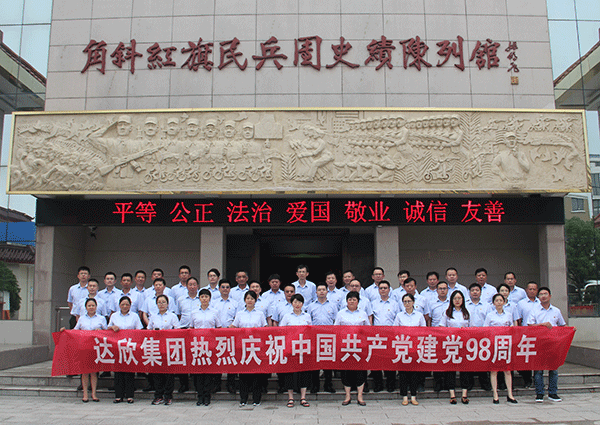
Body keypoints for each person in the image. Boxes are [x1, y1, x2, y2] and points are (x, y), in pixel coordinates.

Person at [61, 298, 107, 402]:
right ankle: (85, 394)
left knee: (94, 372)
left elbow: (107, 332)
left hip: (95, 347)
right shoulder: (82, 319)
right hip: (84, 347)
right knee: (85, 372)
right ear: (86, 307)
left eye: (93, 306)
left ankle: (94, 394)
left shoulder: (101, 318)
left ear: (96, 307)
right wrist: (65, 331)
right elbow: (75, 331)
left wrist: (101, 331)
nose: (91, 307)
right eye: (89, 306)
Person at [527, 286, 567, 402]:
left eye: (545, 294)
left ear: (550, 296)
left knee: (553, 369)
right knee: (538, 370)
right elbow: (529, 325)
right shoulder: (534, 310)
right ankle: (539, 393)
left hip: (553, 343)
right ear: (538, 297)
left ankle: (553, 393)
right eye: (541, 294)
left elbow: (562, 325)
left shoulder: (556, 311)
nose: (543, 296)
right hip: (539, 343)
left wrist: (570, 330)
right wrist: (542, 325)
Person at [230, 290, 267, 407]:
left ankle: (256, 399)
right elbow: (234, 326)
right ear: (244, 300)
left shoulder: (260, 314)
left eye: (252, 298)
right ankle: (243, 399)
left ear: (255, 300)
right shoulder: (240, 314)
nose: (249, 300)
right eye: (248, 298)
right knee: (243, 375)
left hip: (256, 348)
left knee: (257, 375)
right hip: (243, 348)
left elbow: (265, 328)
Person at [335, 291, 369, 406]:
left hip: (359, 347)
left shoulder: (363, 313)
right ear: (346, 301)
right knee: (346, 371)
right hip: (345, 346)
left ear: (358, 302)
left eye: (354, 299)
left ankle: (360, 396)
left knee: (360, 371)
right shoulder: (341, 313)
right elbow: (336, 329)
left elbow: (368, 329)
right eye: (350, 299)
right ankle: (347, 396)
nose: (352, 301)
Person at [107, 296, 143, 403]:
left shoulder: (135, 316)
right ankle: (118, 395)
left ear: (130, 306)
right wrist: (112, 327)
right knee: (118, 371)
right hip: (117, 346)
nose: (125, 306)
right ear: (119, 305)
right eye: (123, 304)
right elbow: (107, 327)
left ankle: (130, 395)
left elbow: (139, 330)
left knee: (129, 371)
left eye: (127, 304)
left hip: (130, 347)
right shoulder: (114, 316)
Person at [190, 288, 222, 406]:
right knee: (198, 373)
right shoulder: (194, 312)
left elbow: (218, 327)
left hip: (210, 346)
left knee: (208, 372)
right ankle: (200, 396)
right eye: (202, 297)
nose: (204, 299)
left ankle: (207, 396)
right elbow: (191, 328)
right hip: (197, 346)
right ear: (199, 298)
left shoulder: (214, 312)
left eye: (206, 297)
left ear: (210, 298)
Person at [279, 294, 312, 408]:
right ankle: (291, 397)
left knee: (304, 373)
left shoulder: (307, 316)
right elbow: (281, 331)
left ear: (302, 304)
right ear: (291, 303)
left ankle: (303, 397)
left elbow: (310, 331)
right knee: (290, 373)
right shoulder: (287, 316)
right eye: (295, 302)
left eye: (299, 302)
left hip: (303, 348)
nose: (297, 304)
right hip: (290, 348)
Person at [484, 293, 518, 404]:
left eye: (500, 300)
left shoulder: (508, 315)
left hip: (506, 345)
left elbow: (512, 328)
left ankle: (510, 394)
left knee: (507, 370)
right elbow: (486, 330)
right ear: (493, 303)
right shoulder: (490, 315)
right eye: (497, 300)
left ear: (504, 302)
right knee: (494, 370)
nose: (499, 302)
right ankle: (495, 394)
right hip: (494, 345)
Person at [393, 293, 425, 406]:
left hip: (415, 347)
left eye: (409, 301)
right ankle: (404, 396)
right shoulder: (399, 316)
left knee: (414, 373)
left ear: (413, 302)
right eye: (405, 302)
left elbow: (423, 331)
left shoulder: (419, 315)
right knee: (403, 373)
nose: (407, 303)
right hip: (403, 346)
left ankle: (414, 396)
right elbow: (395, 330)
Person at [439, 290, 471, 404]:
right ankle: (452, 393)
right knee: (450, 369)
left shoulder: (467, 313)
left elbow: (472, 328)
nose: (457, 300)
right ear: (452, 300)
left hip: (464, 345)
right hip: (451, 344)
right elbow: (442, 327)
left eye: (459, 298)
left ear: (463, 300)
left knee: (465, 369)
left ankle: (464, 393)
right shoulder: (447, 313)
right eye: (455, 298)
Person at [148, 294, 180, 406]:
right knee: (157, 373)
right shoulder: (153, 317)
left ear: (167, 304)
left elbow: (178, 331)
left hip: (169, 348)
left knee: (169, 374)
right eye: (159, 302)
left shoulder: (172, 316)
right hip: (156, 348)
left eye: (163, 302)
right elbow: (148, 331)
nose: (161, 304)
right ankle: (158, 396)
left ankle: (168, 396)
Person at [306, 282, 338, 394]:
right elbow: (308, 321)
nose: (321, 292)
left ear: (327, 291)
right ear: (316, 292)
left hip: (328, 337)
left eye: (323, 290)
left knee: (328, 362)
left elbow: (336, 321)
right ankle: (315, 385)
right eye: (319, 290)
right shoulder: (311, 306)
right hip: (314, 337)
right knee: (315, 362)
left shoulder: (333, 305)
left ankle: (328, 385)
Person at [211, 279, 240, 394]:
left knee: (231, 359)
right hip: (216, 334)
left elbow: (237, 318)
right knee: (217, 358)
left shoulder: (235, 303)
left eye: (227, 287)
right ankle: (216, 384)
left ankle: (231, 384)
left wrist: (231, 327)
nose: (225, 289)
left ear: (230, 289)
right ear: (219, 289)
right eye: (223, 287)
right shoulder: (214, 303)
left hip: (231, 333)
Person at [371, 280, 400, 393]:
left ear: (389, 290)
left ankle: (390, 384)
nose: (383, 290)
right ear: (378, 290)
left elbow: (397, 319)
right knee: (376, 361)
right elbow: (371, 319)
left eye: (385, 288)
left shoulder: (395, 303)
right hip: (376, 336)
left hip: (390, 335)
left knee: (390, 361)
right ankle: (378, 385)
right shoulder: (373, 303)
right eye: (381, 288)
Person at [465, 282, 492, 391]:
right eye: (472, 290)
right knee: (469, 360)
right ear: (469, 292)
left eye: (477, 290)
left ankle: (484, 383)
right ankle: (469, 384)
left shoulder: (487, 305)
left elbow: (489, 319)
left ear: (481, 292)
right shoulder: (465, 305)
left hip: (483, 336)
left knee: (482, 359)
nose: (475, 292)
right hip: (468, 336)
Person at [515, 281, 541, 388]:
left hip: (539, 334)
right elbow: (518, 319)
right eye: (530, 289)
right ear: (526, 290)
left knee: (537, 358)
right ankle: (527, 380)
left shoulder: (541, 303)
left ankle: (538, 380)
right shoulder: (521, 303)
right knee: (526, 358)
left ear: (537, 291)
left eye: (534, 289)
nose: (532, 291)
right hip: (525, 334)